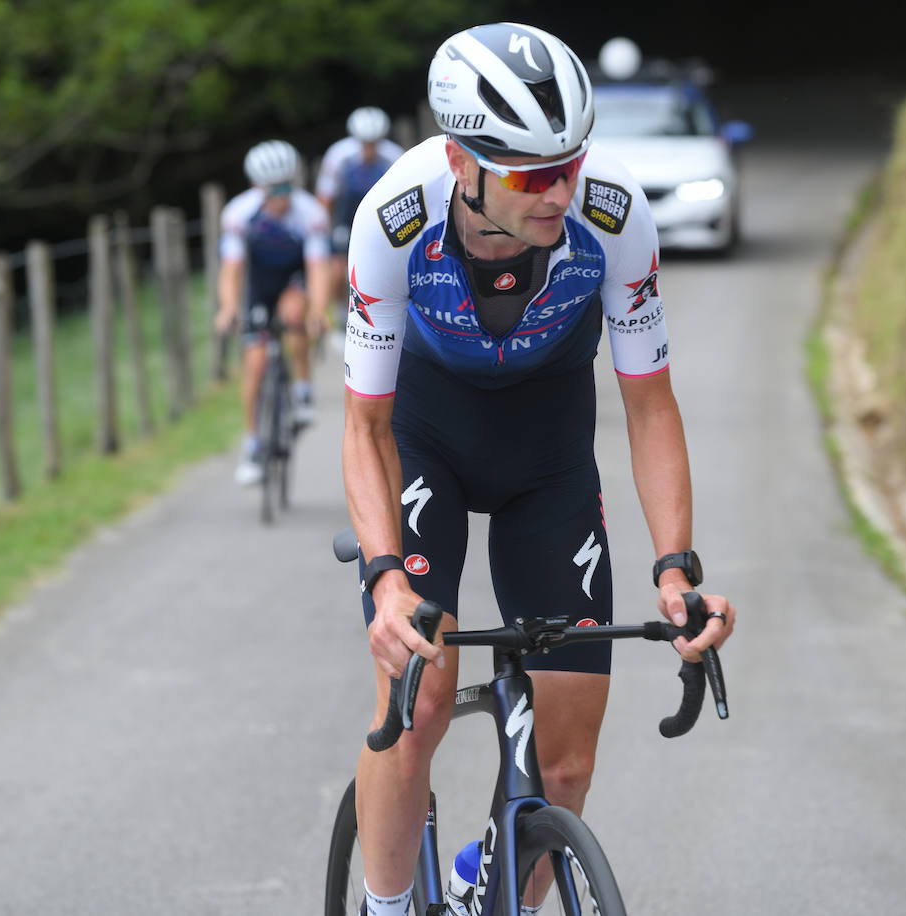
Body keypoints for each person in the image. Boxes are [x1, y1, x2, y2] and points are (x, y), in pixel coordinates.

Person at [340, 22, 738, 916]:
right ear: (459, 161)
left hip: (548, 455)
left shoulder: (613, 212)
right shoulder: (393, 219)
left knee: (566, 761)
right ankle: (387, 903)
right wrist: (383, 581)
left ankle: (499, 884)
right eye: (530, 174)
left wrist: (675, 568)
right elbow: (364, 428)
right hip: (425, 440)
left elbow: (649, 403)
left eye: (570, 162)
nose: (560, 188)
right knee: (419, 699)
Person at [215, 139, 330, 486]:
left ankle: (303, 389)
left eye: (285, 186)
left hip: (295, 277)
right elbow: (232, 268)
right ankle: (251, 444)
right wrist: (228, 308)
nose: (280, 195)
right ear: (257, 187)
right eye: (272, 188)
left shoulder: (311, 213)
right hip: (260, 284)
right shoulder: (238, 215)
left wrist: (319, 311)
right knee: (254, 361)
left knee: (296, 314)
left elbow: (318, 267)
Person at [314, 107, 405, 340]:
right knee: (337, 269)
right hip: (347, 216)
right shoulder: (338, 156)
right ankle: (339, 312)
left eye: (374, 143)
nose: (369, 148)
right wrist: (324, 230)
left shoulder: (394, 156)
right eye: (364, 143)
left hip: (381, 217)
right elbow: (325, 197)